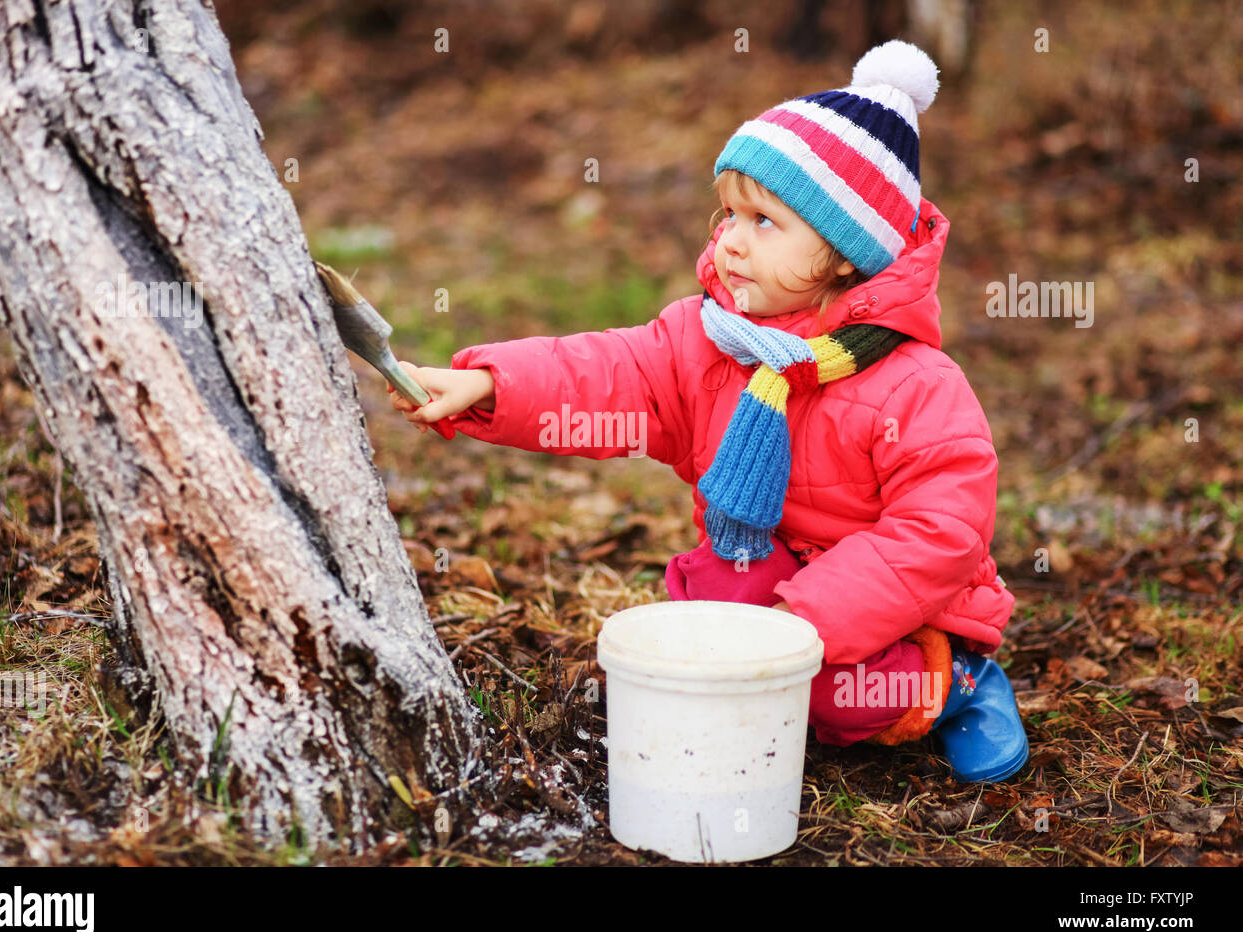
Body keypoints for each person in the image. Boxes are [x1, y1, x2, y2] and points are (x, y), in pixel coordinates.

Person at [388, 40, 1028, 783]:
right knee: (712, 593)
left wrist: (806, 624)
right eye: (728, 214)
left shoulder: (914, 384)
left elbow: (938, 534)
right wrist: (491, 384)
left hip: (903, 612)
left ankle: (957, 686)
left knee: (841, 700)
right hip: (773, 574)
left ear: (846, 254)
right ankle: (774, 691)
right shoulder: (711, 340)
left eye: (764, 223)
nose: (730, 243)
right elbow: (609, 374)